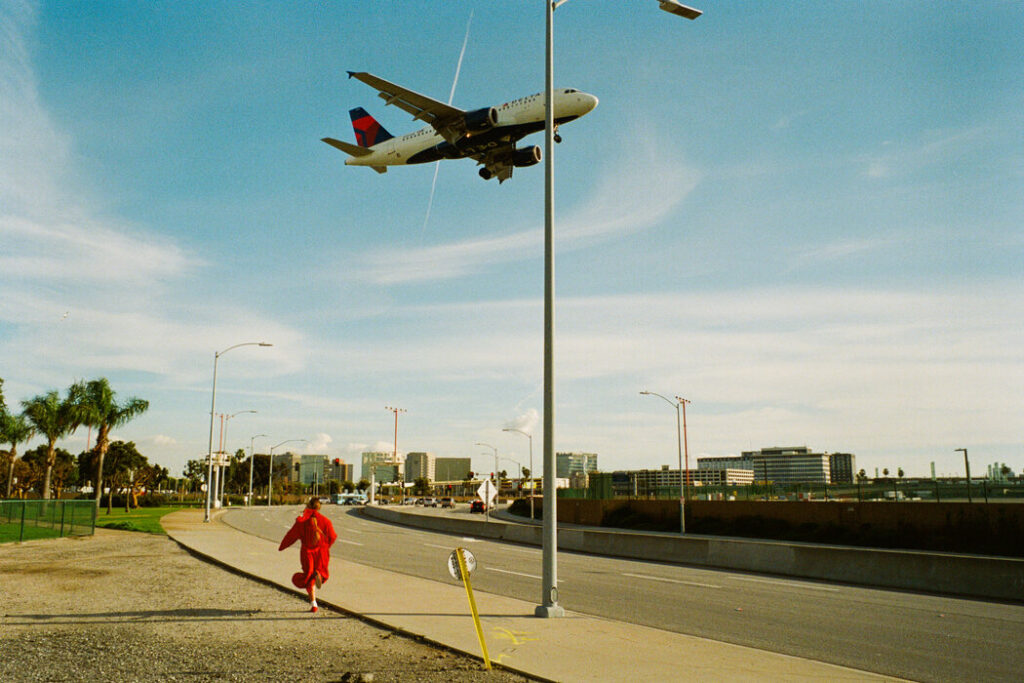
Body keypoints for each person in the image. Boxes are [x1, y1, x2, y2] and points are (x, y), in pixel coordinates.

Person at [279, 497, 337, 613]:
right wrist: (325, 547)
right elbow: (332, 536)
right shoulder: (325, 521)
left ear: (308, 506)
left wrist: (282, 546)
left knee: (308, 578)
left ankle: (314, 604)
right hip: (321, 553)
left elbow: (291, 535)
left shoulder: (302, 521)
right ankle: (319, 574)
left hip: (307, 553)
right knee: (321, 573)